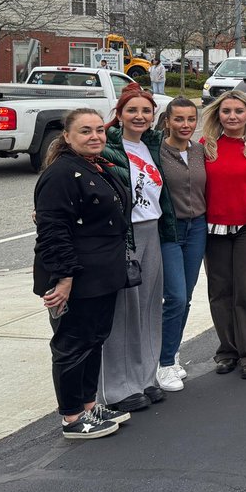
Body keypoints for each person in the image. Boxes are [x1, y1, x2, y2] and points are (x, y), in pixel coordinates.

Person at [33, 108, 133, 439]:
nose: (95, 137)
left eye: (99, 131)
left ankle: (89, 407)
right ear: (67, 137)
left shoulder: (96, 167)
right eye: (85, 131)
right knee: (72, 345)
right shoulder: (61, 173)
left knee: (93, 341)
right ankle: (72, 417)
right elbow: (53, 231)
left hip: (102, 273)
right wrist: (64, 278)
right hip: (76, 277)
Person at [98, 84, 177, 413]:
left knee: (147, 308)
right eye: (132, 110)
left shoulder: (152, 145)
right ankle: (118, 387)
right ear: (119, 114)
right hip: (124, 236)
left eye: (146, 110)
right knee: (123, 313)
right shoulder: (107, 147)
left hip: (152, 232)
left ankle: (145, 378)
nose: (139, 116)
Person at [201, 90, 246, 380]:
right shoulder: (206, 147)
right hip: (213, 229)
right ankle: (227, 351)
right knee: (220, 292)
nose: (232, 116)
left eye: (238, 111)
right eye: (226, 111)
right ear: (218, 114)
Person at [157, 96, 207, 392]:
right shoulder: (156, 152)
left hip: (198, 227)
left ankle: (172, 352)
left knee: (185, 296)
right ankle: (163, 364)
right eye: (179, 119)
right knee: (174, 297)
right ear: (167, 122)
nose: (185, 125)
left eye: (190, 119)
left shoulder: (200, 150)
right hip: (169, 230)